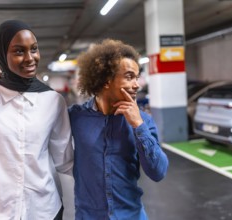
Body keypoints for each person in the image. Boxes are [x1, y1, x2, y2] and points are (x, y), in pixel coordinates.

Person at [0, 20, 73, 220]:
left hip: (45, 210)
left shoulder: (52, 101)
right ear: (2, 54)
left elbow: (65, 163)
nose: (30, 58)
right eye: (19, 51)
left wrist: (72, 210)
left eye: (33, 49)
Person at [69, 39, 169, 219]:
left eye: (137, 77)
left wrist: (138, 126)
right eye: (129, 76)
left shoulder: (144, 121)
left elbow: (158, 172)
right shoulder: (75, 118)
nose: (137, 84)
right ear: (106, 80)